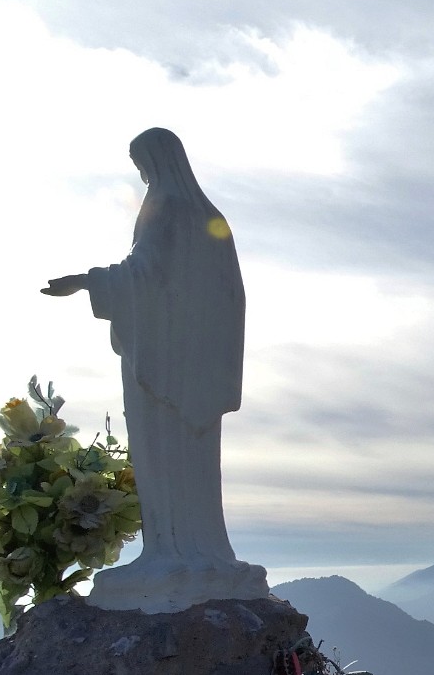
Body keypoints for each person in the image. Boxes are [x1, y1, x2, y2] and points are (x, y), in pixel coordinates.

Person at [43, 127, 266, 611]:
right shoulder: (209, 216)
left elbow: (146, 275)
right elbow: (227, 297)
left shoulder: (166, 208)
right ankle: (195, 549)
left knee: (164, 455)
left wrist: (88, 281)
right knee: (194, 465)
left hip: (165, 365)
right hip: (195, 363)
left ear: (156, 160)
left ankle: (171, 552)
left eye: (140, 163)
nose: (140, 174)